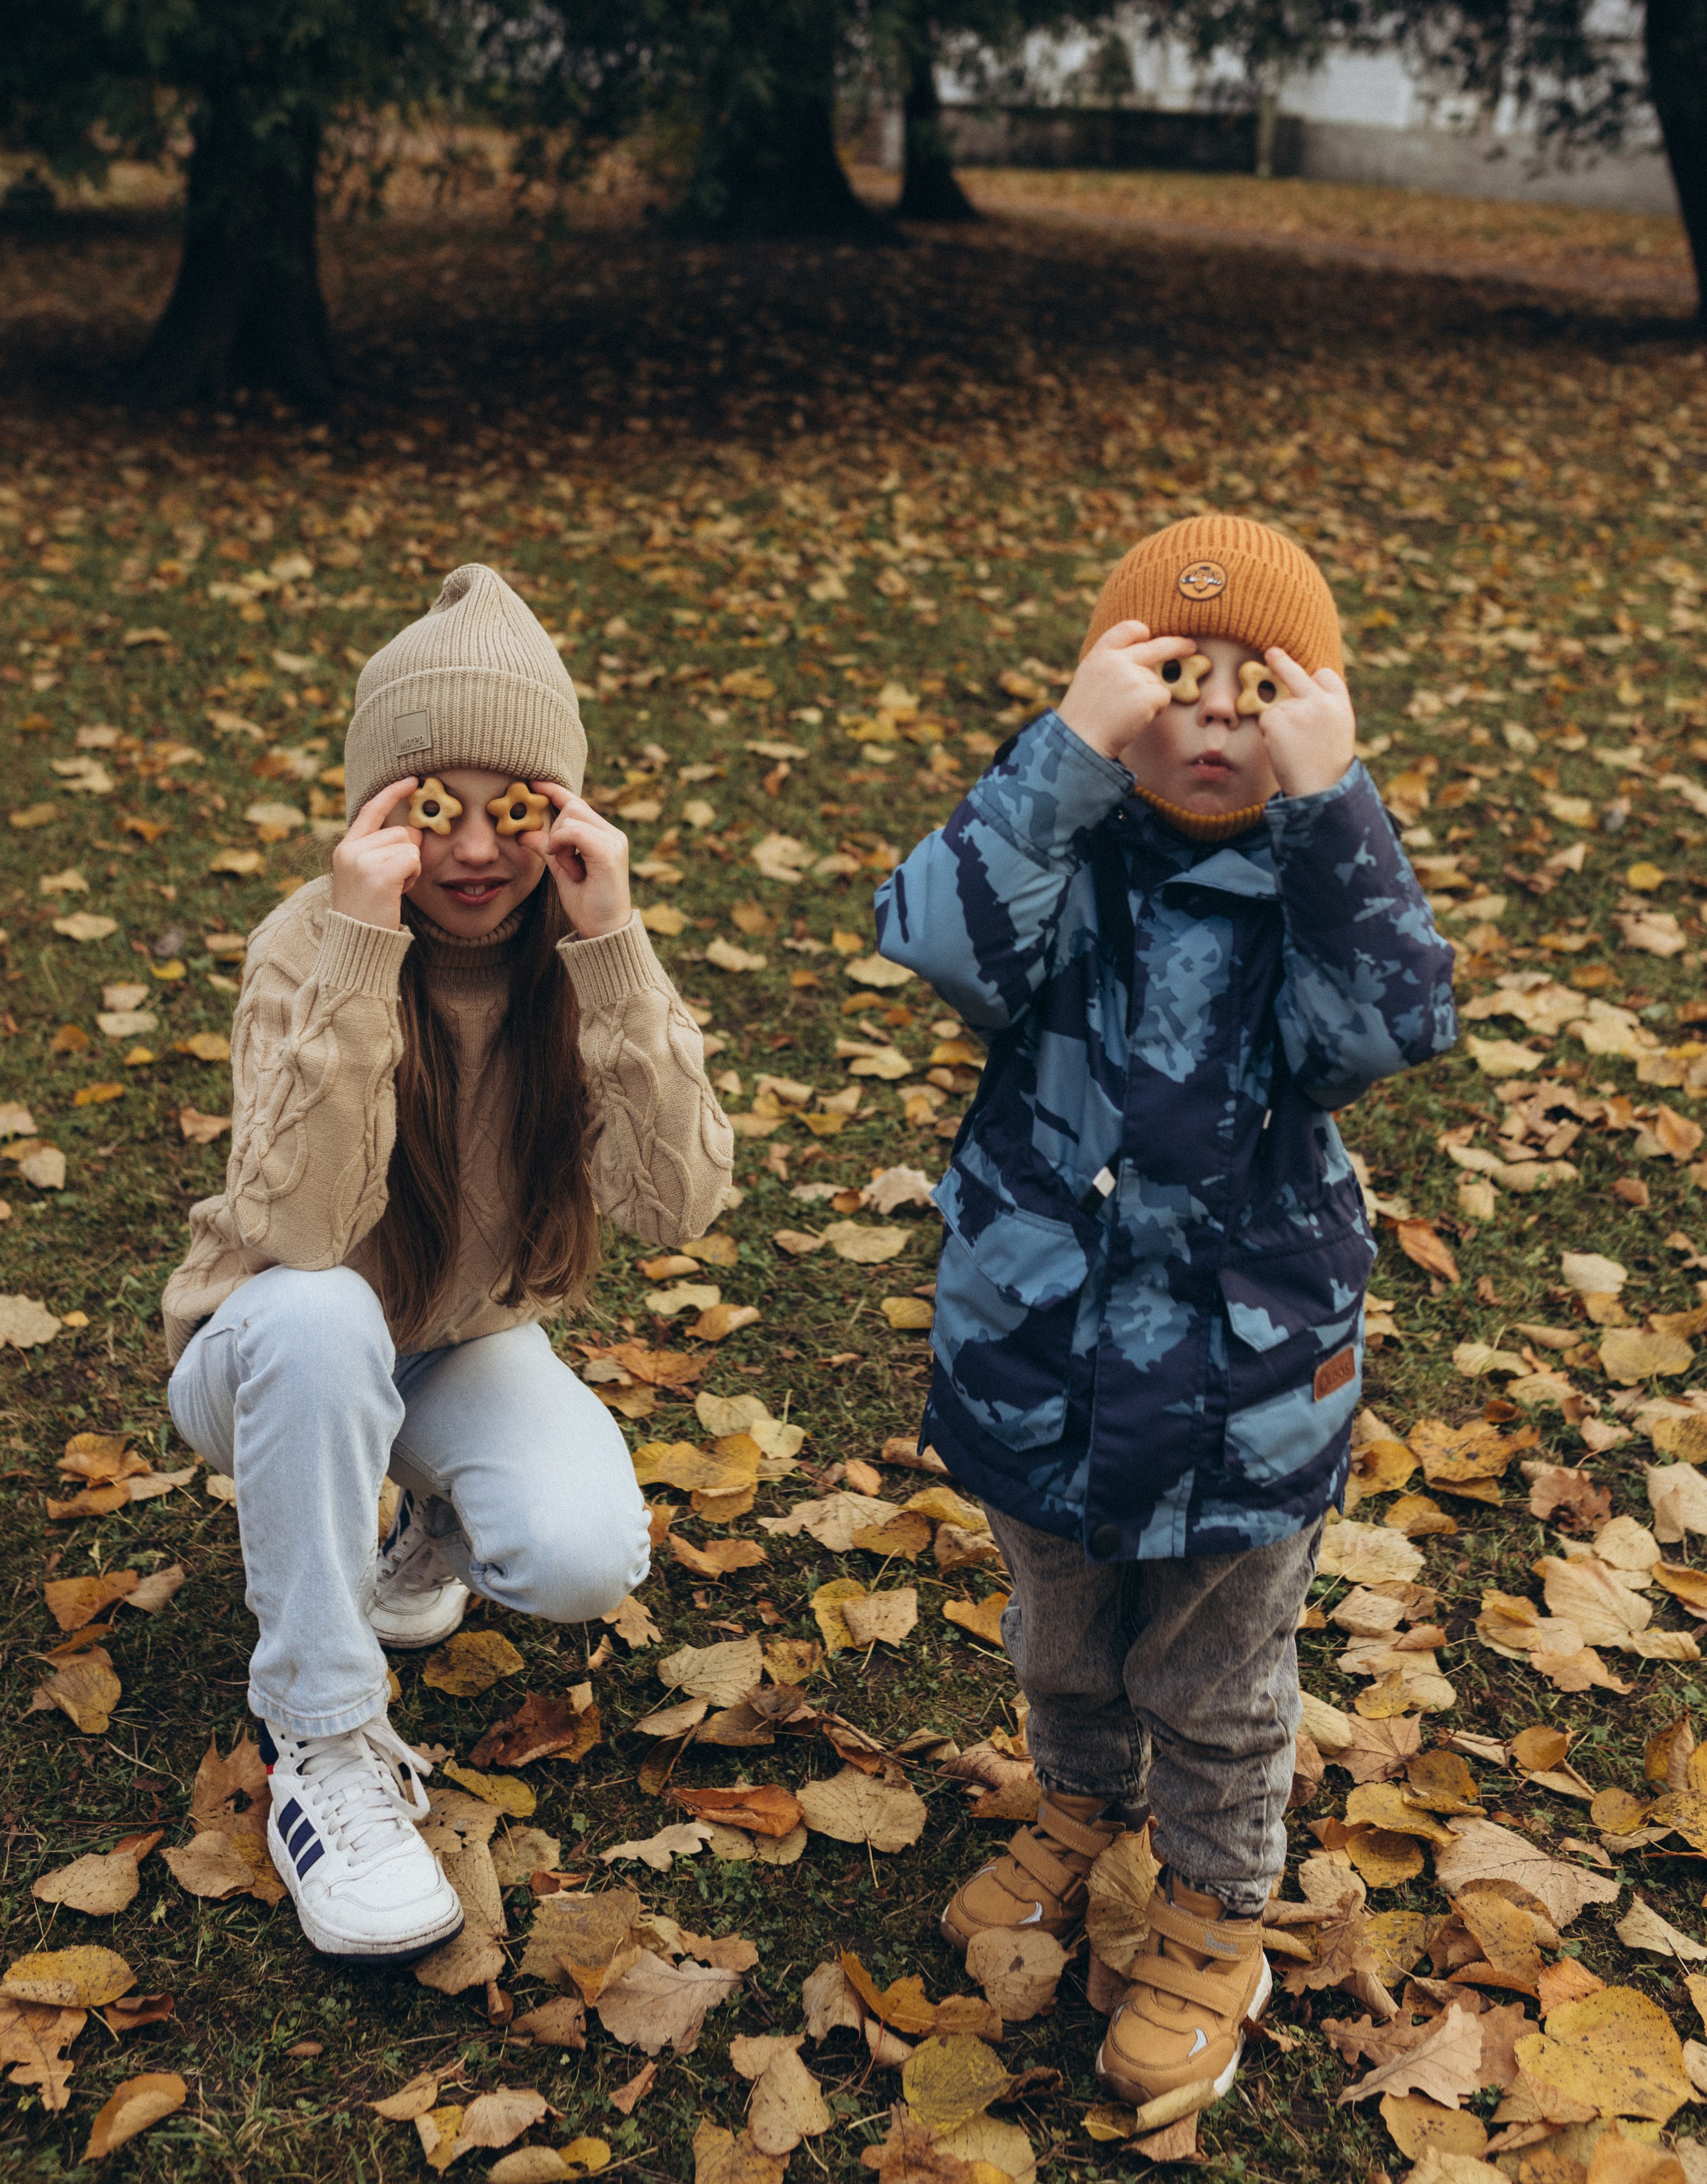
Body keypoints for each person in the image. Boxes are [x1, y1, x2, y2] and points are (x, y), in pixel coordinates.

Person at [874, 514, 1456, 2110]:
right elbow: (928, 932)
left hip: (1243, 1373)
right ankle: (1076, 1806)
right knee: (1061, 1632)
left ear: (1313, 714)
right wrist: (1064, 752)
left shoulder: (1311, 876)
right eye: (1173, 676)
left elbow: (1395, 1023)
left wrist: (1331, 804)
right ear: (1112, 694)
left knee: (1214, 1668)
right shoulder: (1057, 855)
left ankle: (1211, 1910)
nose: (1211, 714)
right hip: (1036, 1351)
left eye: (1253, 685)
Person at [163, 565, 733, 1960]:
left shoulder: (580, 952)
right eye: (434, 806)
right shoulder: (306, 943)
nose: (476, 848)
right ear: (374, 812)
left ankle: (429, 1529)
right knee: (316, 1319)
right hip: (262, 1349)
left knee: (584, 1554)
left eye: (516, 807)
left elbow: (679, 1209)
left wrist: (613, 952)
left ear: (566, 814)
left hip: (458, 1338)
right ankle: (321, 1735)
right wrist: (362, 948)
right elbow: (296, 1234)